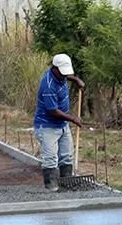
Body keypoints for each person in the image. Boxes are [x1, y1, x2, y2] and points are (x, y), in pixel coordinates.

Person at [33, 53, 84, 192]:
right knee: (50, 157)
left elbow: (66, 76)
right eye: (62, 72)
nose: (64, 75)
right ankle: (51, 187)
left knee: (67, 155)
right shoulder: (48, 85)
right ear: (54, 68)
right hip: (47, 126)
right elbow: (52, 111)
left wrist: (76, 80)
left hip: (62, 125)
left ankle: (66, 183)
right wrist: (73, 118)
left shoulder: (60, 76)